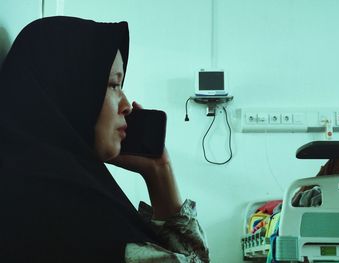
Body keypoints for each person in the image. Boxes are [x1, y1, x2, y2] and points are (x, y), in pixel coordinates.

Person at [0, 16, 209, 262]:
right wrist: (161, 173)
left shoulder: (28, 191)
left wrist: (158, 170)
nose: (126, 105)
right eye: (112, 85)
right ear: (72, 95)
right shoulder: (79, 220)